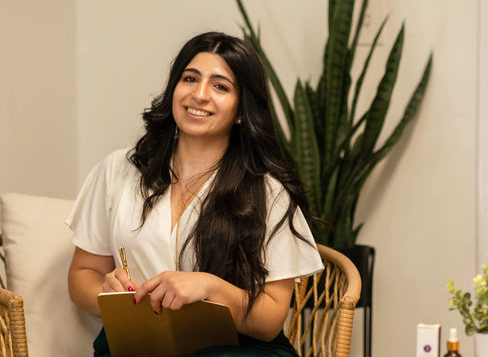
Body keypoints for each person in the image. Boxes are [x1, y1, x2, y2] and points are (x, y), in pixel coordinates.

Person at [67, 31, 324, 356]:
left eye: (220, 86)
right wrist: (106, 292)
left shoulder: (267, 191)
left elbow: (270, 320)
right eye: (190, 78)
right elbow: (82, 274)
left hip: (235, 349)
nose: (200, 95)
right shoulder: (118, 169)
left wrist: (212, 287)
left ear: (242, 109)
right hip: (139, 341)